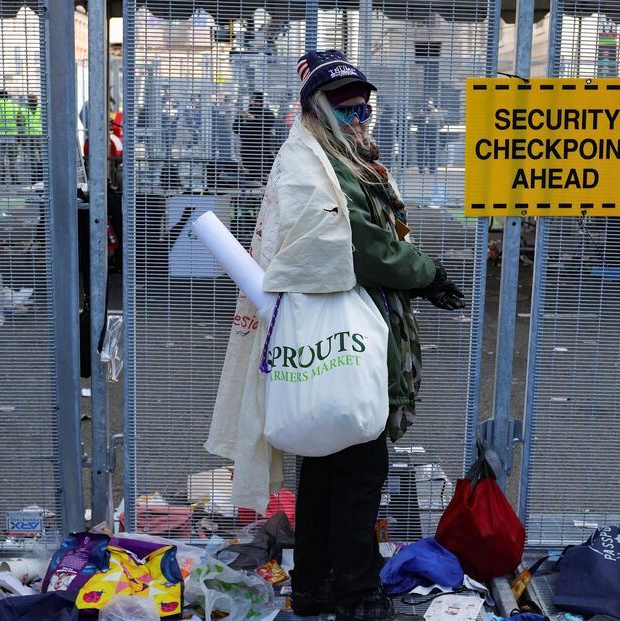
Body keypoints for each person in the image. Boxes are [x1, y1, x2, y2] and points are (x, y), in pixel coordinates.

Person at [206, 50, 464, 621]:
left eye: (364, 107)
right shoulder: (316, 164)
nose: (358, 118)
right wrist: (427, 274)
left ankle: (314, 586)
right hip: (339, 340)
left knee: (326, 466)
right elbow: (360, 245)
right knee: (359, 469)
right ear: (316, 109)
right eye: (345, 108)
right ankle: (356, 594)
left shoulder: (326, 156)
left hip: (325, 338)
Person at [232, 91, 278, 182]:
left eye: (257, 101)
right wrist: (241, 117)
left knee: (261, 175)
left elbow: (267, 125)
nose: (254, 103)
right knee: (250, 176)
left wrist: (254, 119)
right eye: (253, 100)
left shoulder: (267, 113)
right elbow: (236, 129)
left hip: (261, 151)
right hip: (247, 150)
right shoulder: (245, 113)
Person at [23, 94, 42, 183]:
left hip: (38, 135)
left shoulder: (41, 109)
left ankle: (40, 173)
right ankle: (36, 173)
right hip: (31, 135)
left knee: (41, 155)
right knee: (33, 156)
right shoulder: (24, 109)